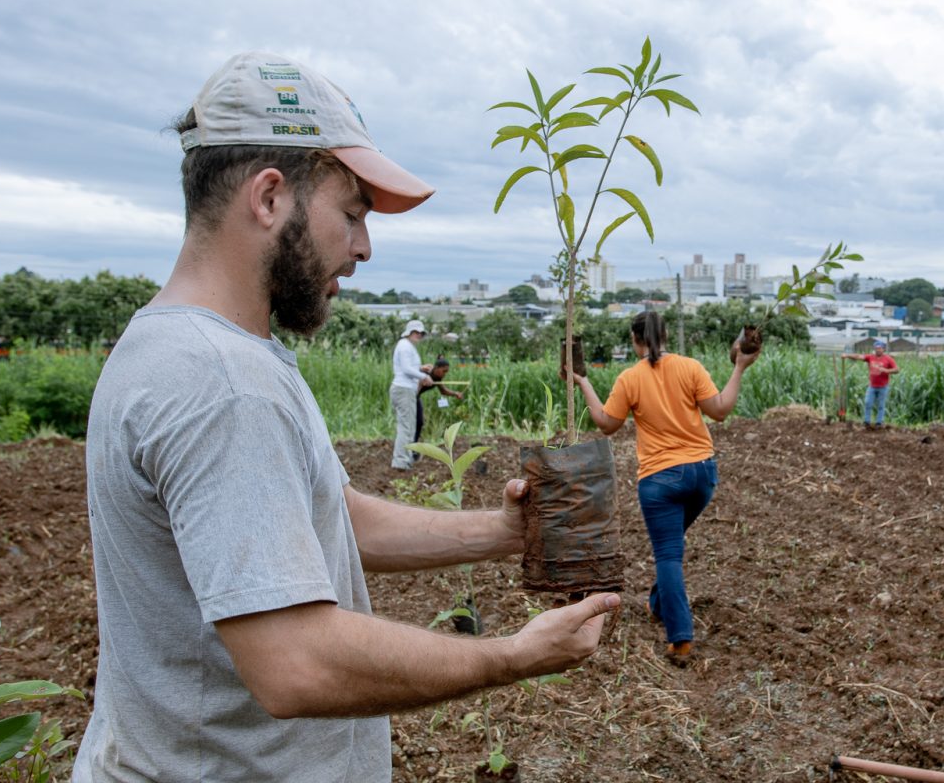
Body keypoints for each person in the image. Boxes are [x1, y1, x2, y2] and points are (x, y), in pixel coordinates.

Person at [74, 51, 619, 783]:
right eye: (353, 213)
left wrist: (502, 533)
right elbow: (294, 663)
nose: (363, 247)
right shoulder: (223, 384)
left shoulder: (190, 347)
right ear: (269, 199)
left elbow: (330, 516)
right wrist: (513, 655)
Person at [571, 311, 759, 666]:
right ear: (667, 335)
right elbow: (719, 411)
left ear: (634, 339)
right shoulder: (690, 367)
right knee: (670, 548)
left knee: (668, 556)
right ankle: (658, 603)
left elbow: (607, 424)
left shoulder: (630, 378)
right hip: (702, 475)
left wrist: (583, 382)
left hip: (659, 481)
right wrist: (740, 368)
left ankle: (680, 639)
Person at [391, 319, 432, 469]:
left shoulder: (407, 346)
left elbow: (407, 367)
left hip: (406, 389)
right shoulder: (404, 346)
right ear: (409, 332)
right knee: (406, 427)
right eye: (416, 332)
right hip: (404, 389)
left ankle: (405, 459)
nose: (419, 335)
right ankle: (401, 461)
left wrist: (421, 368)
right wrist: (424, 376)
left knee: (409, 425)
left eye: (421, 333)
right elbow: (407, 369)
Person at [842, 340, 899, 428]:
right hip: (872, 386)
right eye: (876, 348)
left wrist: (886, 370)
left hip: (883, 387)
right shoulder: (870, 357)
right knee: (868, 403)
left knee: (881, 405)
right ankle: (866, 422)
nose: (878, 350)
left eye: (880, 348)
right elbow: (858, 356)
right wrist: (847, 355)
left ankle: (879, 423)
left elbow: (897, 370)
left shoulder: (888, 359)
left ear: (883, 349)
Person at [414, 356, 465, 445]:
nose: (445, 374)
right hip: (409, 397)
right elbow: (413, 385)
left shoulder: (437, 378)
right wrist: (420, 384)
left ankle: (413, 443)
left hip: (416, 398)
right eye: (444, 371)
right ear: (436, 368)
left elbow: (443, 391)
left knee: (420, 422)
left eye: (446, 372)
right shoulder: (425, 372)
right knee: (412, 422)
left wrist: (455, 394)